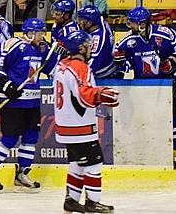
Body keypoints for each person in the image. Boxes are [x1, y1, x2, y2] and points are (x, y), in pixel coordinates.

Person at [0, 18, 57, 193]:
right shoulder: (14, 45)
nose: (41, 36)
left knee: (31, 138)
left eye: (42, 33)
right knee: (10, 138)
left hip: (32, 102)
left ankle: (22, 174)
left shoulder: (41, 49)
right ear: (29, 33)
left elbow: (51, 69)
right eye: (39, 33)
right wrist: (6, 84)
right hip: (14, 102)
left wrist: (55, 55)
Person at [54, 30, 119, 214]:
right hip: (79, 126)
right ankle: (92, 202)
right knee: (94, 162)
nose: (91, 49)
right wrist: (100, 94)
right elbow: (83, 96)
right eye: (88, 46)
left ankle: (71, 201)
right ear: (81, 48)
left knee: (77, 163)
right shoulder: (80, 67)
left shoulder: (61, 65)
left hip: (65, 126)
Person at [114, 6, 176, 164]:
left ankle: (175, 150)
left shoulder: (164, 33)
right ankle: (149, 149)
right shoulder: (128, 40)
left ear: (142, 23)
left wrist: (172, 61)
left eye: (133, 23)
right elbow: (120, 58)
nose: (130, 26)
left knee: (173, 115)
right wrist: (121, 60)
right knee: (147, 118)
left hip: (167, 83)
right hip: (143, 87)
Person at [76, 4, 117, 79]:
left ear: (90, 22)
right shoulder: (94, 30)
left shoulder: (98, 37)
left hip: (103, 74)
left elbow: (94, 63)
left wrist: (77, 74)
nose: (79, 22)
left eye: (82, 20)